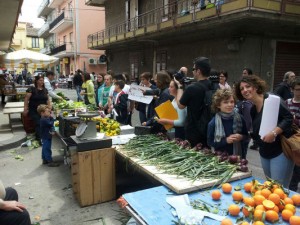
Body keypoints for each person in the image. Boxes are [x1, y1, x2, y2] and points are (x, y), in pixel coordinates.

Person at [235, 75, 294, 187]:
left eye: (248, 86)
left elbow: (289, 118)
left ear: (256, 87)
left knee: (278, 187)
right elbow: (257, 132)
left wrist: (274, 133)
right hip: (264, 152)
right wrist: (243, 136)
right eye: (242, 89)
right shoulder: (252, 109)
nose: (245, 90)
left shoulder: (271, 98)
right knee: (270, 185)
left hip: (280, 151)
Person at [175, 56, 212, 147]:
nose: (192, 71)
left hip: (194, 130)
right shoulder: (213, 85)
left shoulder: (192, 88)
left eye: (193, 69)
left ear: (198, 71)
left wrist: (180, 86)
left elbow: (180, 105)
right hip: (209, 128)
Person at [207, 89, 248, 158]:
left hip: (239, 157)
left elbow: (246, 136)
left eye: (232, 102)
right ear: (218, 105)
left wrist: (241, 137)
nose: (230, 105)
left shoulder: (240, 118)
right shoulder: (213, 123)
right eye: (225, 102)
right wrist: (225, 140)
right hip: (221, 158)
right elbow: (210, 142)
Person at [24, 74, 51, 142]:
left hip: (43, 110)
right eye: (40, 80)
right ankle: (40, 139)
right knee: (38, 123)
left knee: (45, 123)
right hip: (34, 110)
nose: (42, 82)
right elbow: (26, 99)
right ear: (36, 81)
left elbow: (48, 99)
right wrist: (25, 109)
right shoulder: (31, 89)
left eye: (43, 80)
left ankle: (43, 135)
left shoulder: (45, 90)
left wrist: (49, 107)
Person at [286, 78, 300, 191]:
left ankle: (293, 190)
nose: (299, 92)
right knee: (289, 166)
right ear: (292, 90)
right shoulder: (287, 102)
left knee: (297, 167)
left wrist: (295, 121)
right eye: (297, 89)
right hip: (288, 140)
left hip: (298, 141)